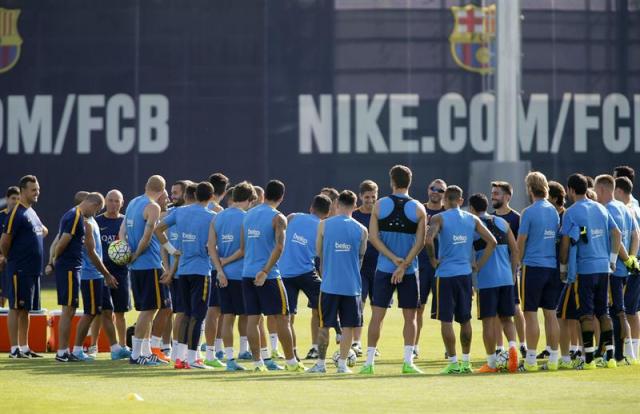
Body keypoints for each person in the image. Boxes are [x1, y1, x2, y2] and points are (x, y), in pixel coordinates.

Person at [360, 165, 426, 375]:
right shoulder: (418, 208)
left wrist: (394, 260)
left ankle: (369, 363)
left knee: (377, 316)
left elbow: (373, 238)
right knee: (411, 318)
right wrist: (404, 264)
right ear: (410, 181)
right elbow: (421, 242)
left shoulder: (380, 205)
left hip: (384, 269)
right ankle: (408, 362)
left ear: (392, 182)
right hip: (408, 271)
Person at [426, 185, 497, 374]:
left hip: (445, 275)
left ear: (444, 200)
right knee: (465, 320)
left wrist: (433, 260)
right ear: (461, 200)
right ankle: (466, 362)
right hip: (465, 275)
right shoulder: (472, 218)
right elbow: (493, 241)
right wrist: (478, 265)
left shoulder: (438, 217)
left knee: (446, 320)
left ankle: (454, 362)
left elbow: (428, 239)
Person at [241, 180, 305, 372]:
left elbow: (244, 247)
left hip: (247, 274)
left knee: (253, 320)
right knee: (283, 318)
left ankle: (257, 363)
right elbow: (279, 246)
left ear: (264, 195)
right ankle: (291, 362)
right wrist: (265, 271)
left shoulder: (248, 214)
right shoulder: (278, 217)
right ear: (281, 197)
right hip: (268, 276)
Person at [559, 173, 621, 370]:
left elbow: (566, 242)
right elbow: (617, 233)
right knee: (604, 312)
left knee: (585, 314)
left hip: (584, 269)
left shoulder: (570, 212)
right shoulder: (601, 208)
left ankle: (589, 360)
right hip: (604, 268)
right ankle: (610, 357)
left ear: (570, 190)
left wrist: (563, 267)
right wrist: (612, 259)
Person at [157, 182, 216, 369]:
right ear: (211, 197)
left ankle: (179, 359)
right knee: (197, 317)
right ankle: (192, 359)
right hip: (200, 270)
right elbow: (215, 245)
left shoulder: (180, 212)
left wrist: (171, 249)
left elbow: (158, 229)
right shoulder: (212, 216)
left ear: (196, 194)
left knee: (184, 315)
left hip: (182, 271)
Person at [308, 190, 368, 374]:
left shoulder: (324, 225)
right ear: (355, 206)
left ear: (336, 205)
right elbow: (361, 257)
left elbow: (318, 252)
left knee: (324, 325)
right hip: (351, 286)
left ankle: (320, 365)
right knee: (348, 326)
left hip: (329, 285)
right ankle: (342, 365)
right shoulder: (361, 229)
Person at [122, 175, 175, 366]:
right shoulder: (153, 207)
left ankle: (144, 352)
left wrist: (124, 250)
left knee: (149, 310)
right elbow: (147, 235)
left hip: (136, 265)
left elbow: (122, 230)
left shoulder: (133, 202)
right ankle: (136, 355)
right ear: (163, 189)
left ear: (146, 185)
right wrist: (135, 254)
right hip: (148, 264)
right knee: (148, 310)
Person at [69, 193, 125, 361]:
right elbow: (91, 253)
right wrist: (107, 274)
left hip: (98, 275)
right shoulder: (86, 223)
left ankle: (115, 349)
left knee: (108, 311)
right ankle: (77, 350)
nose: (98, 211)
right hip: (91, 275)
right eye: (98, 208)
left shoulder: (92, 221)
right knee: (90, 313)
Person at [52, 192, 108, 362]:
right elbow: (63, 241)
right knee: (68, 310)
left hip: (72, 268)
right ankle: (62, 352)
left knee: (69, 310)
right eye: (97, 210)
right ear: (93, 205)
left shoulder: (73, 214)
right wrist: (56, 259)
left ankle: (65, 351)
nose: (96, 214)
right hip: (69, 267)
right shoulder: (75, 216)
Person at [468, 193, 519, 373]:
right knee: (507, 319)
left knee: (488, 322)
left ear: (472, 209)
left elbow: (468, 255)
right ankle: (513, 349)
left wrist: (477, 269)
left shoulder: (473, 226)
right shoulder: (502, 223)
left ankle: (491, 364)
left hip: (487, 281)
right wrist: (513, 273)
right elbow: (515, 250)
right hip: (506, 279)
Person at [516, 172, 561, 371]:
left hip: (533, 268)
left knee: (530, 314)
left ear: (529, 188)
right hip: (551, 267)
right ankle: (553, 360)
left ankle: (531, 360)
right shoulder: (553, 210)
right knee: (551, 315)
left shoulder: (528, 212)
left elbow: (521, 241)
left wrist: (516, 264)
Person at [209, 182, 255, 371]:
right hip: (241, 275)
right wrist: (226, 262)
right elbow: (244, 250)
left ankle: (229, 359)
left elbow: (211, 247)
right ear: (250, 200)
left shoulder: (218, 217)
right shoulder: (247, 218)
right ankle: (250, 353)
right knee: (249, 316)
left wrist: (219, 269)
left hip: (221, 275)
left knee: (227, 317)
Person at [279, 194, 331, 360]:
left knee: (288, 318)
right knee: (326, 305)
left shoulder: (293, 217)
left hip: (285, 274)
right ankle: (338, 335)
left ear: (311, 208)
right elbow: (321, 253)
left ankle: (292, 354)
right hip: (306, 273)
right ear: (328, 212)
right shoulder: (323, 226)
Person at [0, 176, 46, 359]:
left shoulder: (31, 212)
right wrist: (10, 257)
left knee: (25, 309)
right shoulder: (16, 213)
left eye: (38, 189)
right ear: (23, 191)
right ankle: (14, 348)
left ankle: (25, 347)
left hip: (31, 270)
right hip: (19, 268)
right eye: (33, 189)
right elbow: (4, 240)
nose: (37, 193)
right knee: (15, 307)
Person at [595, 175, 639, 363]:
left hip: (613, 270)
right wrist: (631, 258)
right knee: (620, 311)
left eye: (596, 191)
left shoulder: (607, 210)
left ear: (603, 190)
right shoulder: (625, 208)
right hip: (625, 269)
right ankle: (627, 353)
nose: (595, 195)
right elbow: (636, 235)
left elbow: (617, 237)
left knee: (616, 312)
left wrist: (622, 258)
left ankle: (619, 355)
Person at [90, 190, 131, 353]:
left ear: (122, 203)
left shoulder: (126, 222)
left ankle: (122, 346)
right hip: (102, 271)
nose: (114, 204)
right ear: (105, 202)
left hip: (121, 271)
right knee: (99, 312)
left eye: (117, 201)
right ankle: (93, 345)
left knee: (120, 312)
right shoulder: (96, 221)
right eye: (111, 200)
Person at [491, 181, 527, 358]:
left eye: (496, 193)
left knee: (515, 308)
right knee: (497, 311)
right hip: (494, 272)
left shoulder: (517, 218)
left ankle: (523, 344)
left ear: (507, 197)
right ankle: (500, 348)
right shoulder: (490, 219)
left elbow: (519, 247)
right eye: (492, 193)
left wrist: (516, 269)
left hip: (511, 272)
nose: (493, 197)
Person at [415, 179, 446, 358]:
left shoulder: (447, 213)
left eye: (440, 190)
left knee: (445, 309)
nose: (435, 192)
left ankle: (448, 350)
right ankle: (414, 348)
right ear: (428, 189)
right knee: (418, 308)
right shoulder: (420, 210)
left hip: (442, 266)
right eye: (433, 188)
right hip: (420, 265)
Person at [351, 180, 379, 356]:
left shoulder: (381, 215)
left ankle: (373, 347)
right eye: (367, 197)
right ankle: (356, 343)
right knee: (358, 305)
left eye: (373, 197)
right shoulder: (353, 216)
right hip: (359, 268)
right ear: (360, 196)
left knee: (378, 308)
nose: (370, 200)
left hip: (380, 267)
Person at [204, 172, 230, 361]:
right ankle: (214, 350)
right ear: (225, 191)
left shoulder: (199, 206)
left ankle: (210, 348)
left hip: (196, 265)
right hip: (214, 266)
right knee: (216, 310)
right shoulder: (219, 212)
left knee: (210, 311)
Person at [615, 176, 640, 362]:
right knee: (632, 310)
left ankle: (628, 353)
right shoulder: (636, 207)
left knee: (624, 311)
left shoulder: (627, 209)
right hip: (634, 263)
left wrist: (630, 259)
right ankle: (632, 352)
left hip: (628, 265)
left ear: (619, 191)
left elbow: (633, 235)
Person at [0, 186, 20, 308]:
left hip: (13, 261)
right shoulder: (1, 216)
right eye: (13, 198)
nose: (16, 201)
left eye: (18, 198)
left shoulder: (22, 216)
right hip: (2, 261)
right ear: (7, 199)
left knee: (10, 297)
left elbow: (43, 230)